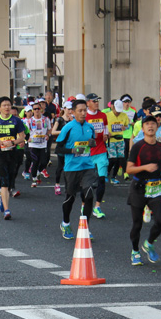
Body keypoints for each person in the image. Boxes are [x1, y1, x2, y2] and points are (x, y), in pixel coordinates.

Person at [126, 115, 161, 265]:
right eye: (147, 124)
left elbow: (160, 163)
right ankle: (135, 251)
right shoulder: (138, 146)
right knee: (137, 223)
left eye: (153, 124)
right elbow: (129, 169)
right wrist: (145, 167)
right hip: (139, 187)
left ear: (157, 127)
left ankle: (149, 244)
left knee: (160, 221)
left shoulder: (160, 146)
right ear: (142, 128)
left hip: (155, 187)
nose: (150, 126)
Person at [54, 99, 96, 240]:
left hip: (88, 166)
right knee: (71, 198)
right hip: (72, 168)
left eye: (85, 110)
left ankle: (85, 227)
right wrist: (72, 150)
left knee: (89, 194)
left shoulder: (90, 127)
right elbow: (58, 148)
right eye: (80, 110)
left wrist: (92, 143)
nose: (83, 113)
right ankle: (65, 223)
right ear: (72, 112)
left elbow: (92, 143)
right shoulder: (68, 127)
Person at [0, 96, 26, 220]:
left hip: (13, 153)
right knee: (3, 180)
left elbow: (22, 137)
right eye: (4, 105)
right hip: (0, 154)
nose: (7, 107)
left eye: (8, 105)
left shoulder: (17, 121)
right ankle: (7, 210)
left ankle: (3, 199)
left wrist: (12, 142)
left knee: (10, 178)